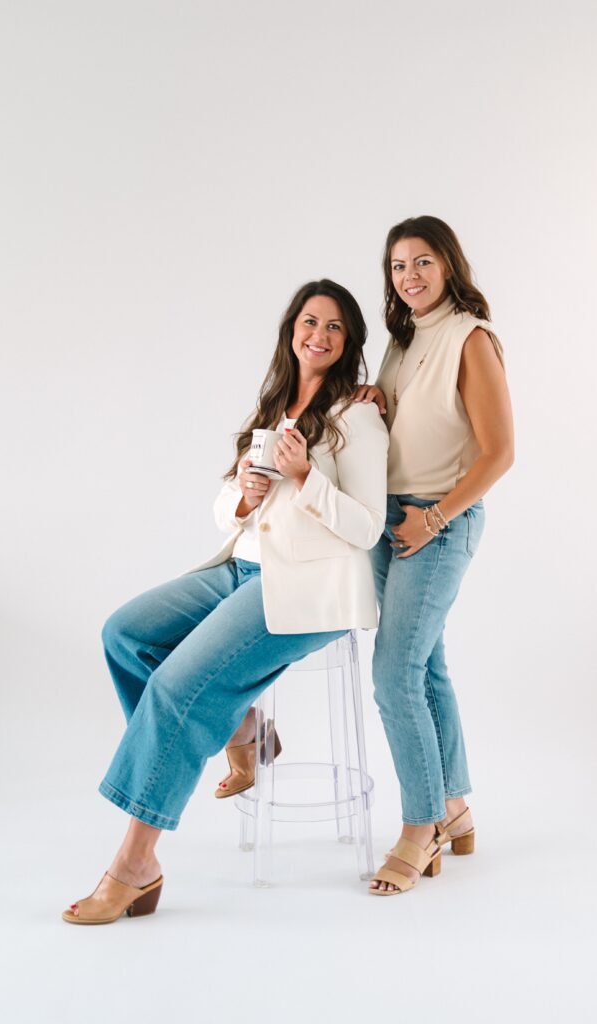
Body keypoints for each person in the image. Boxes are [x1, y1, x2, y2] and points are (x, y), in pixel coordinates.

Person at [62, 279, 389, 924]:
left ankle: (135, 863)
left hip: (305, 587)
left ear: (349, 341)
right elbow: (227, 511)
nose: (319, 335)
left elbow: (368, 528)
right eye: (309, 321)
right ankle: (243, 727)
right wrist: (243, 494)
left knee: (177, 689)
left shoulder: (358, 416)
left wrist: (307, 478)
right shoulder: (273, 407)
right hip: (240, 567)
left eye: (334, 327)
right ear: (291, 330)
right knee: (125, 634)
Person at [355, 216, 514, 895]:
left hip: (438, 521)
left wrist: (436, 518)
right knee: (425, 668)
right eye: (398, 266)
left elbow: (499, 453)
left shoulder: (468, 338)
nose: (409, 276)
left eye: (422, 261)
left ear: (448, 265)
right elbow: (411, 426)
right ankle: (454, 808)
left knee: (394, 674)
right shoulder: (403, 339)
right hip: (390, 518)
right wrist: (376, 403)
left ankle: (420, 829)